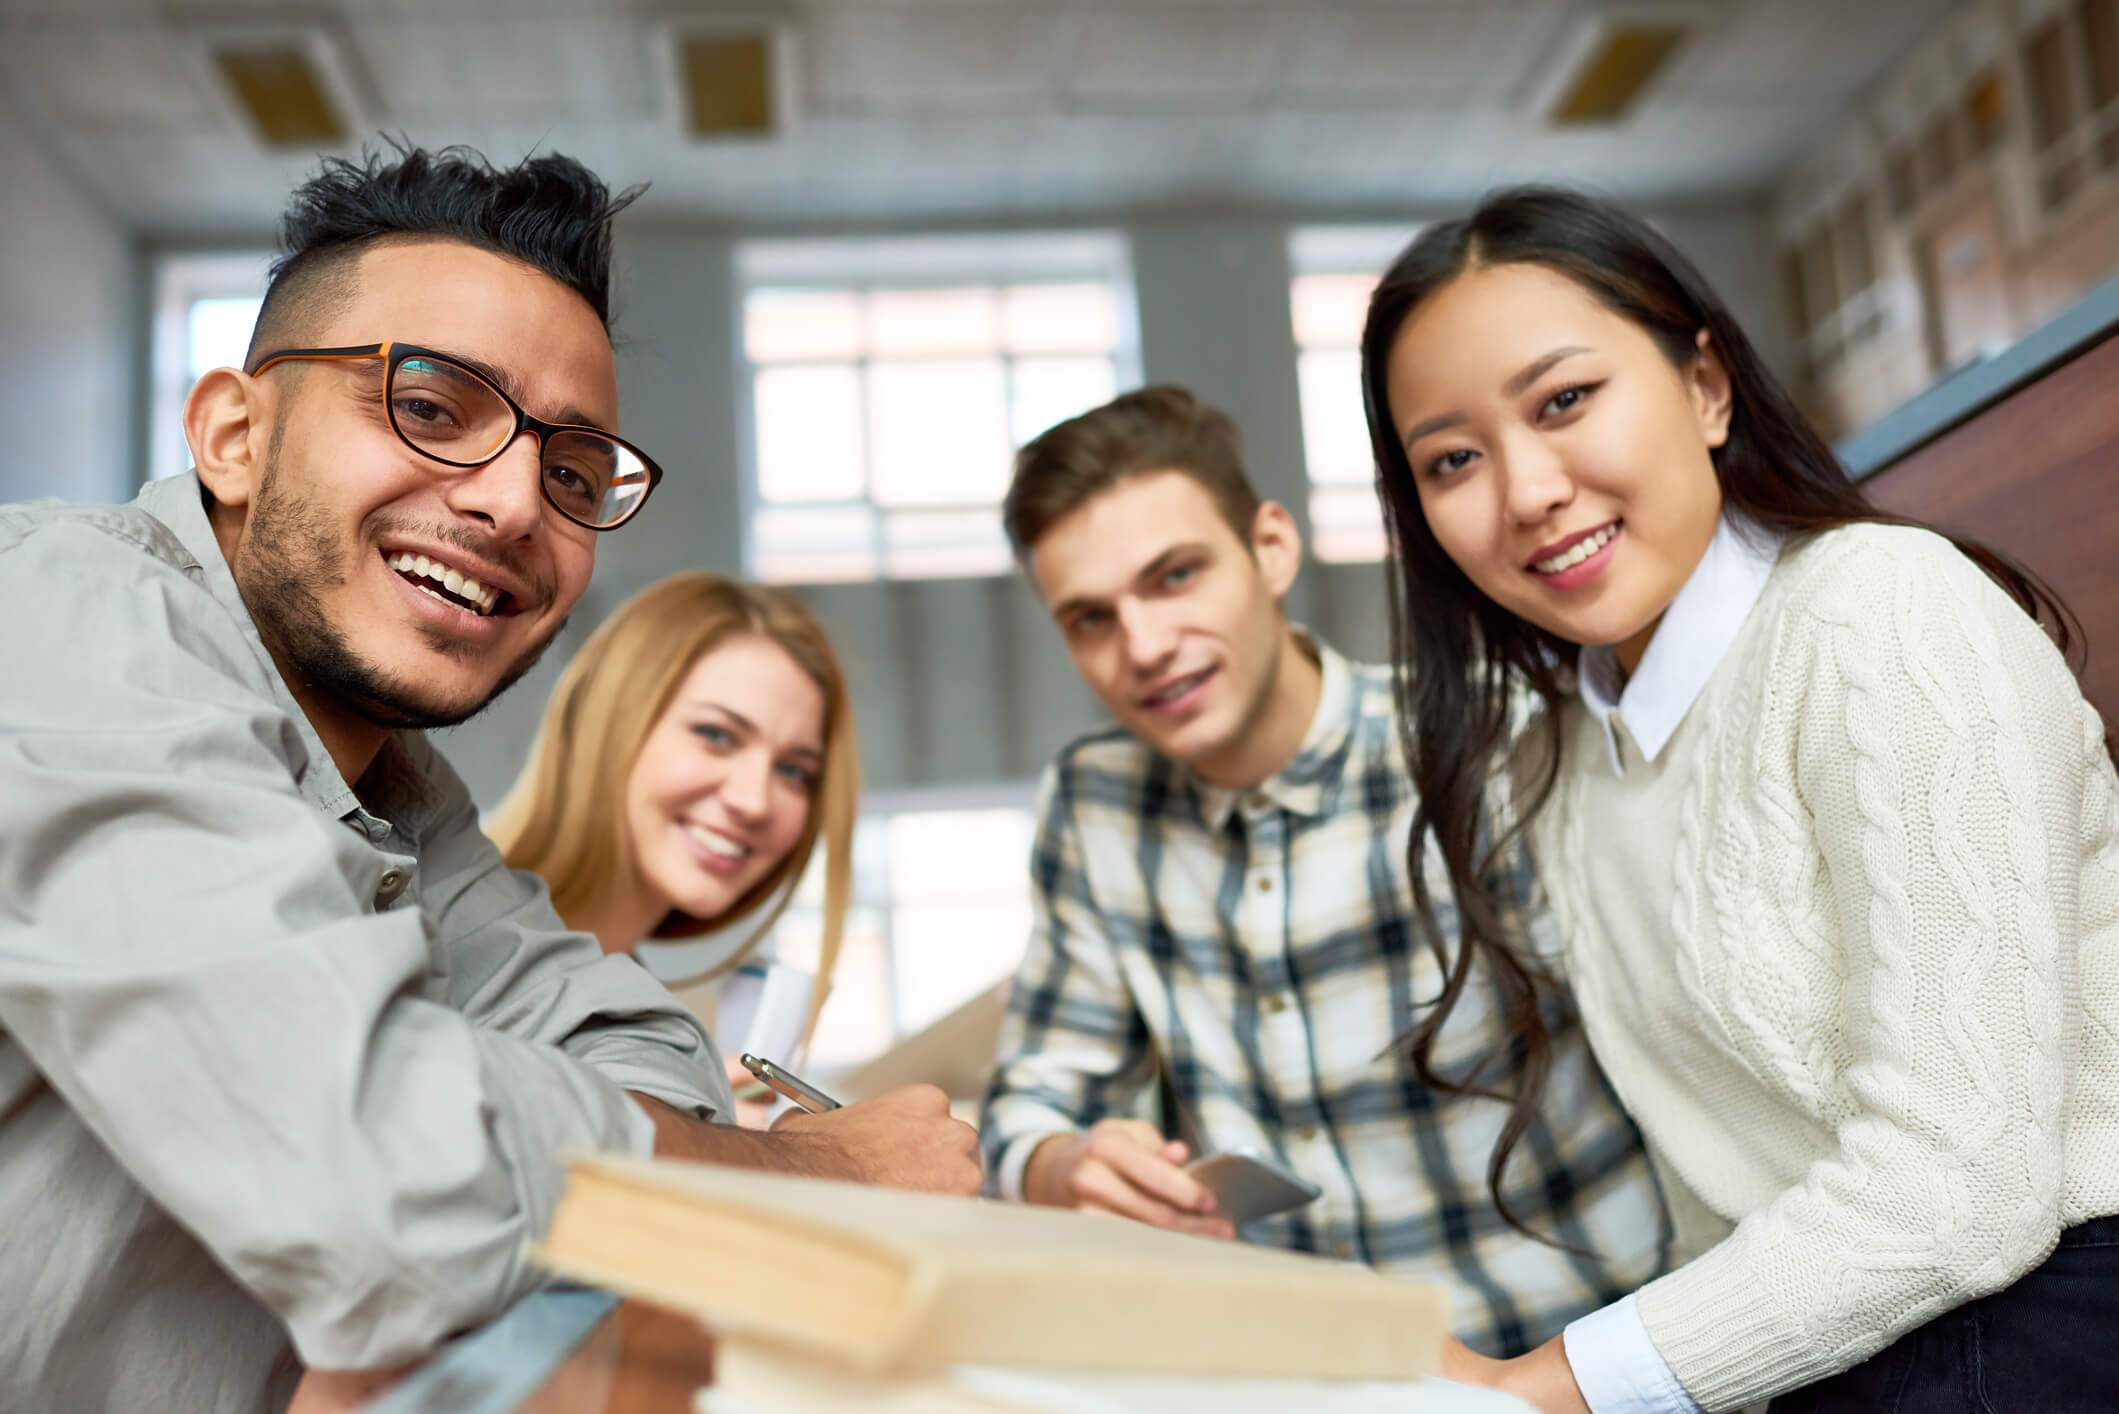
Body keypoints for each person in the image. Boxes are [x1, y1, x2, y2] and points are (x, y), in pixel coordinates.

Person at [0, 144, 976, 1414]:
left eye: (574, 473)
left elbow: (648, 1051)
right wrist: (823, 1167)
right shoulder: (58, 612)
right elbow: (382, 1181)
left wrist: (551, 1148)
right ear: (233, 435)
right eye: (433, 405)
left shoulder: (404, 794)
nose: (516, 502)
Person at [1361, 185, 2119, 1413]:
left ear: (1706, 387)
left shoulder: (1880, 610)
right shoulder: (1562, 756)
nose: (1528, 490)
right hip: (1832, 1353)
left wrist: (1540, 1388)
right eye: (1452, 459)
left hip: (2052, 1309)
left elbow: (1961, 1188)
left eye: (1564, 401)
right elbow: (1719, 1201)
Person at [977, 385, 1671, 1359]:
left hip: (1565, 1365)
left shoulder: (1484, 740)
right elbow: (1030, 1101)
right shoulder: (1096, 805)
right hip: (1300, 1376)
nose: (1142, 646)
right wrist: (1062, 1164)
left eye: (1174, 576)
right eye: (1091, 619)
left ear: (1270, 547)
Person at [489, 571, 859, 1118]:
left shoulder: (634, 1006)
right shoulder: (438, 929)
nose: (755, 801)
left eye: (793, 771)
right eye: (715, 735)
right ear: (609, 719)